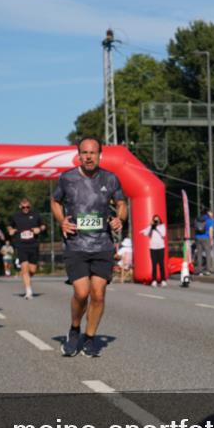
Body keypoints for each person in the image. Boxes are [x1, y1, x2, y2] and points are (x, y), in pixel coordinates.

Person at [51, 137, 126, 358]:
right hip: (76, 244)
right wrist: (61, 220)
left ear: (99, 154)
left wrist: (119, 218)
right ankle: (75, 329)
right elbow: (55, 201)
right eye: (84, 152)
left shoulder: (110, 178)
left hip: (102, 244)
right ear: (79, 154)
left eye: (92, 153)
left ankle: (90, 338)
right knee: (81, 293)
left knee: (99, 294)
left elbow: (121, 204)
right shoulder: (67, 178)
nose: (88, 156)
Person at [8, 197, 46, 299]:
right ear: (20, 206)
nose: (25, 208)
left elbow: (43, 225)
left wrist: (39, 229)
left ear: (30, 206)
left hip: (33, 245)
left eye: (27, 207)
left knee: (32, 270)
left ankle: (27, 278)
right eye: (23, 207)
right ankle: (28, 292)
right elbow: (10, 226)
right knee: (24, 268)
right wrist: (10, 230)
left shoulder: (35, 215)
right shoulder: (16, 216)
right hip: (21, 245)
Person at [141, 215, 167, 286]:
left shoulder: (162, 226)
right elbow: (146, 233)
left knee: (161, 264)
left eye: (157, 220)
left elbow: (163, 235)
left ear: (159, 220)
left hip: (161, 247)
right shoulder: (151, 228)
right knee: (154, 264)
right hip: (153, 248)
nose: (156, 221)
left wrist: (156, 228)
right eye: (155, 220)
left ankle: (163, 280)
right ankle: (154, 280)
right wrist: (151, 226)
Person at [193, 208, 214, 275]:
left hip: (198, 237)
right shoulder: (211, 220)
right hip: (206, 238)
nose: (213, 214)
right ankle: (208, 270)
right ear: (208, 213)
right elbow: (211, 230)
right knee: (208, 254)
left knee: (199, 254)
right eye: (212, 212)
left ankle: (199, 270)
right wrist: (211, 240)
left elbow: (195, 228)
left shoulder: (197, 219)